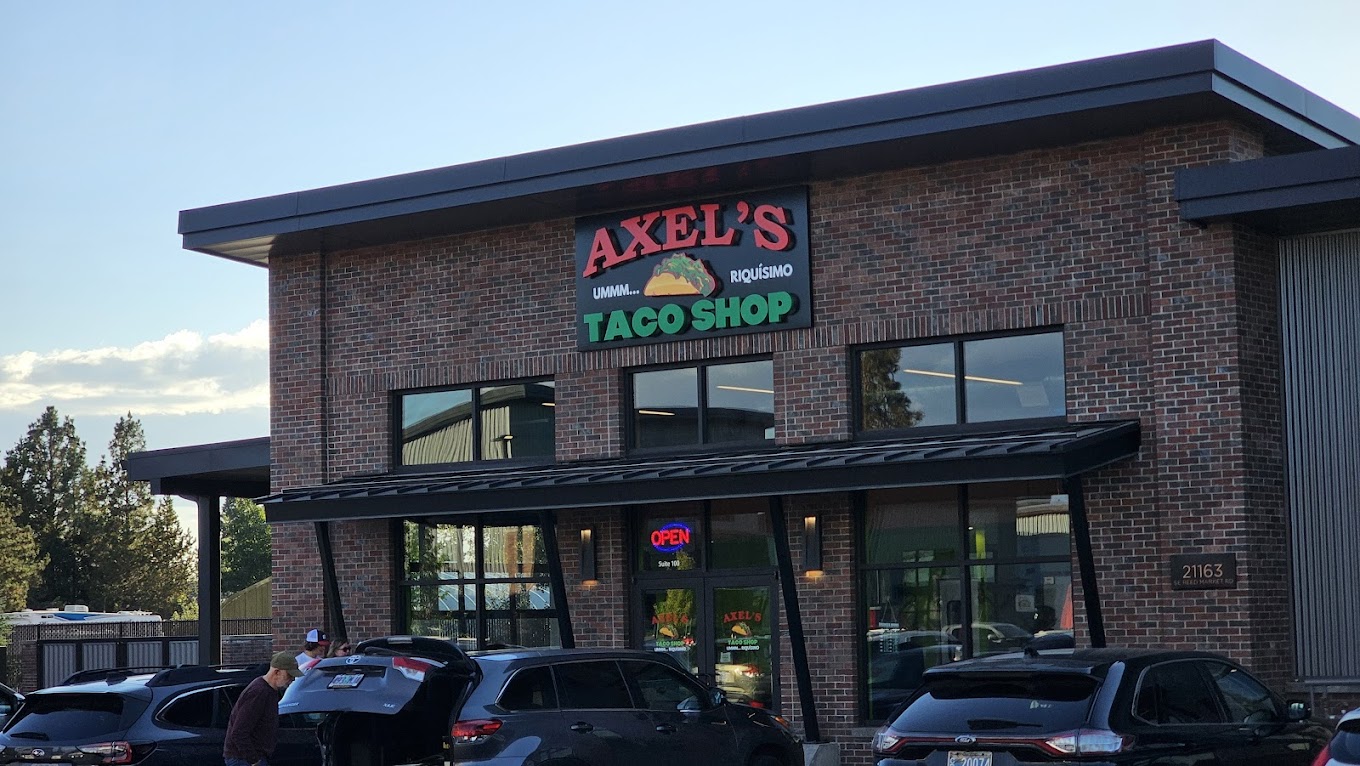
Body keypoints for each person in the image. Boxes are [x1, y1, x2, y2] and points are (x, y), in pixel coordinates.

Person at [223, 651, 303, 766]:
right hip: (242, 759)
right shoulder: (259, 692)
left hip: (248, 757)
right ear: (277, 672)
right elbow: (239, 732)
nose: (292, 680)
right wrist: (254, 760)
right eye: (290, 675)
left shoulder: (269, 690)